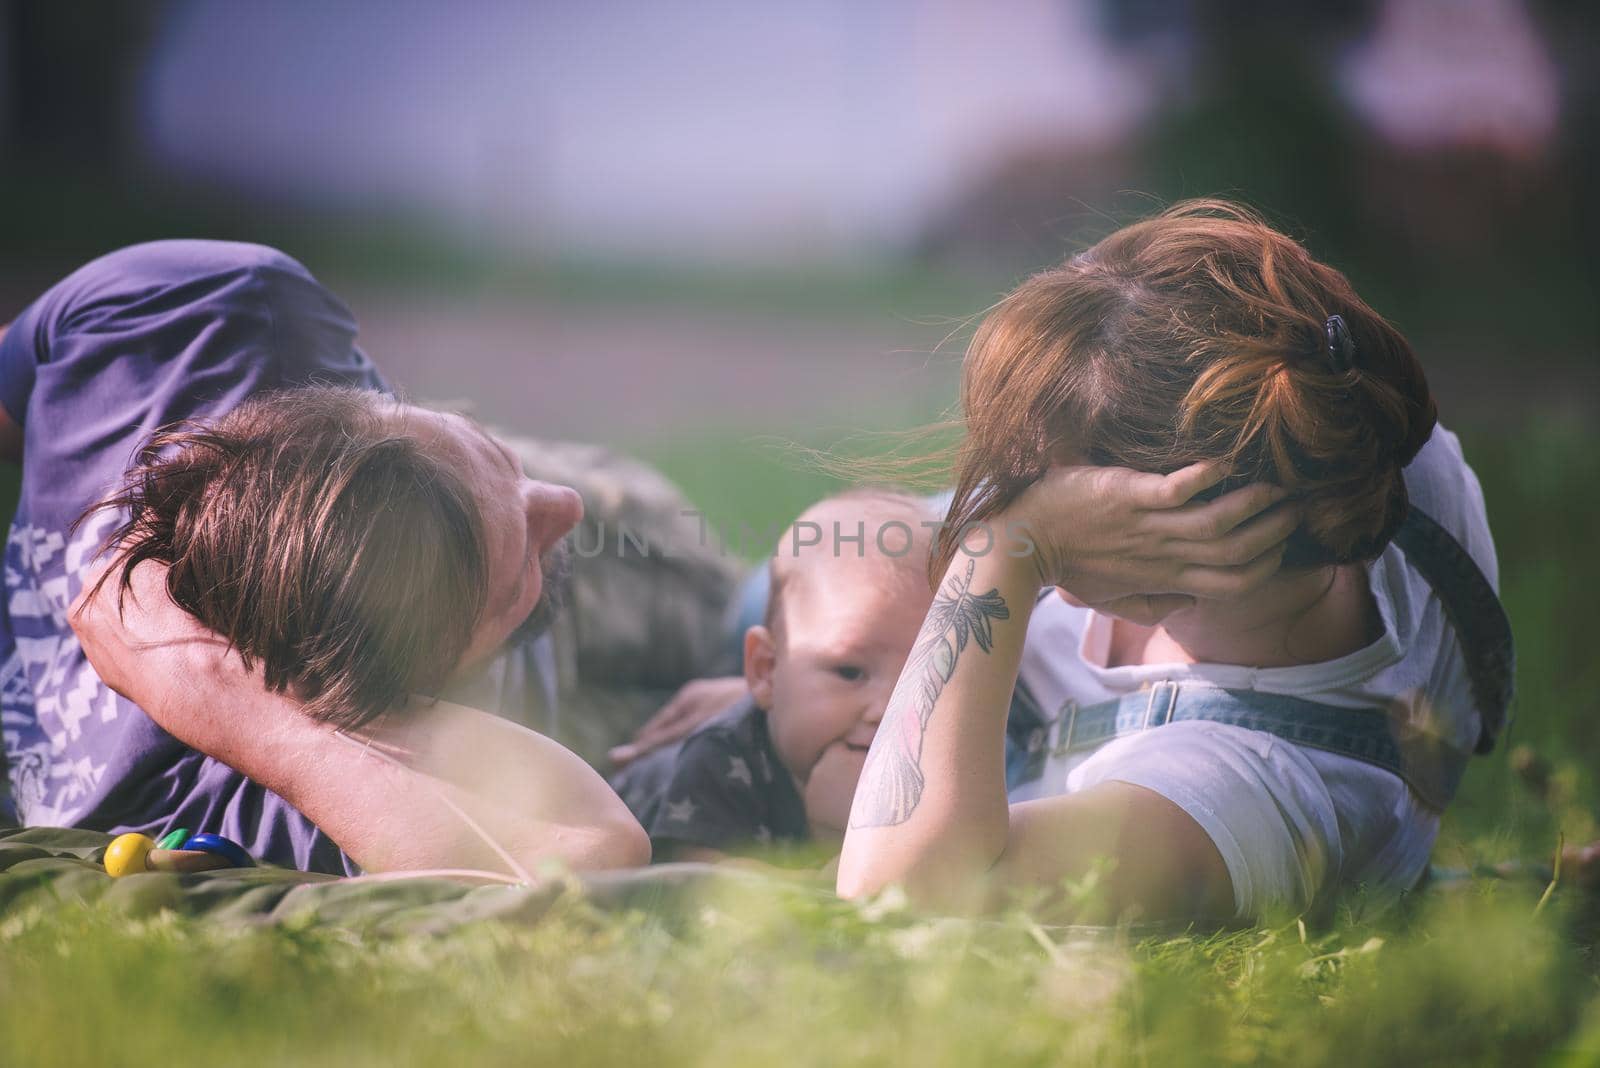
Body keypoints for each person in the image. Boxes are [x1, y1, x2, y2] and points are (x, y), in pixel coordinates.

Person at [836, 199, 1511, 923]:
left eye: (1052, 493)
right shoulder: (1349, 421)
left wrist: (1006, 550)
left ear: (1184, 522)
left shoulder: (1253, 792)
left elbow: (896, 895)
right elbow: (844, 533)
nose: (1013, 498)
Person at [0, 240, 655, 875]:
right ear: (395, 702)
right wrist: (223, 698)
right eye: (516, 584)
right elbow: (588, 850)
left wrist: (498, 507)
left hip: (466, 488)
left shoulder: (192, 317)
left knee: (716, 584)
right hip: (564, 649)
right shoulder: (288, 800)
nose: (565, 508)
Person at [616, 490, 933, 864]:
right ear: (766, 670)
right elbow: (714, 907)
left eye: (926, 678)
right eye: (850, 673)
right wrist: (838, 842)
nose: (886, 710)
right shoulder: (718, 763)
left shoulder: (934, 761)